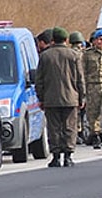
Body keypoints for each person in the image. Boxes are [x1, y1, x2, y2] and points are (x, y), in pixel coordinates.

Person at [35, 27, 85, 168]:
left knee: (54, 128)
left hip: (51, 99)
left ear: (52, 40)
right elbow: (80, 79)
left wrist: (41, 98)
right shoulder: (74, 55)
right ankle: (68, 156)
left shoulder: (45, 56)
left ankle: (56, 157)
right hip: (71, 98)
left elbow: (39, 80)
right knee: (70, 127)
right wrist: (82, 97)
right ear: (66, 39)